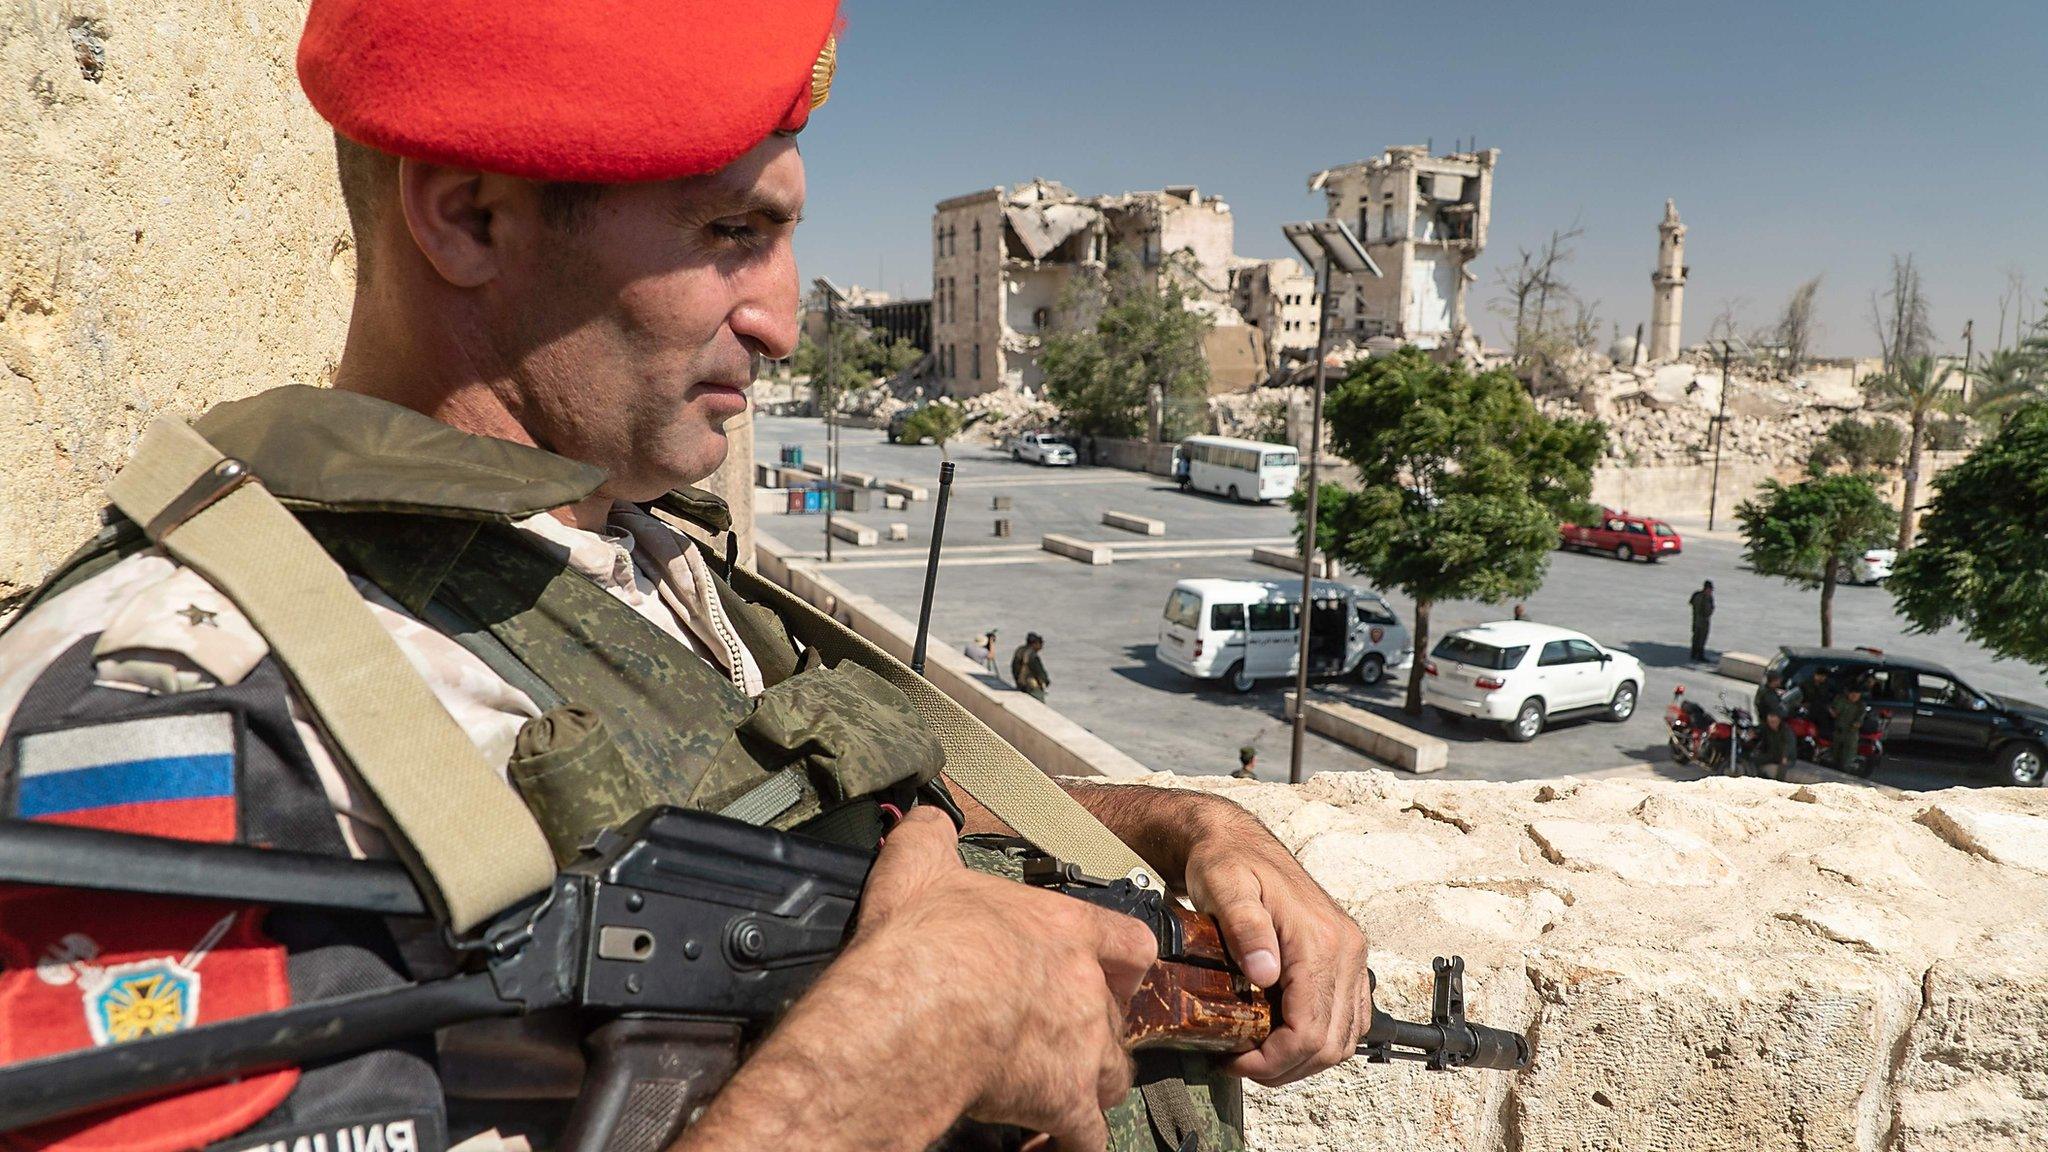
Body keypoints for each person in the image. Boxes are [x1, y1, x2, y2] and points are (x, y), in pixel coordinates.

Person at [0, 4, 1376, 1150]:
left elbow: (822, 835)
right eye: (730, 236)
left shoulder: (616, 550)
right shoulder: (181, 706)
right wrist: (894, 1057)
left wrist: (1173, 825)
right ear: (472, 219)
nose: (781, 318)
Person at [1831, 679, 1870, 773]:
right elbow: (1834, 712)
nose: (1854, 697)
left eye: (1857, 695)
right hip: (1838, 732)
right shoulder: (1841, 700)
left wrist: (1856, 724)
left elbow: (1859, 720)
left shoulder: (1861, 706)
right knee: (1834, 759)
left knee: (1846, 761)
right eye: (1852, 694)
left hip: (1850, 734)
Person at [1747, 708, 1796, 780]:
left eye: (1773, 722)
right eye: (1770, 722)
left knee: (1782, 768)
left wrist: (1785, 756)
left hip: (1786, 756)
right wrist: (1753, 731)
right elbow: (1758, 728)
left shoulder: (1786, 730)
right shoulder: (1767, 727)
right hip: (1773, 754)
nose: (1772, 724)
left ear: (1779, 720)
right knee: (1755, 760)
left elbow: (1789, 744)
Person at [1012, 632, 1052, 701]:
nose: (1041, 646)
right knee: (1039, 705)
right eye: (1040, 643)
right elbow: (1039, 671)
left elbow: (1014, 668)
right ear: (1034, 643)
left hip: (1021, 685)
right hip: (1032, 687)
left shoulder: (1019, 651)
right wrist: (1046, 681)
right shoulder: (1032, 656)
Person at [1688, 580, 1715, 662]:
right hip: (1700, 620)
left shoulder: (1708, 597)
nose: (1710, 591)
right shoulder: (1700, 596)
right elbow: (1699, 608)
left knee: (1700, 637)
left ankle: (1695, 653)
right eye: (1709, 589)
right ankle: (1698, 654)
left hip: (1704, 620)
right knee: (1699, 637)